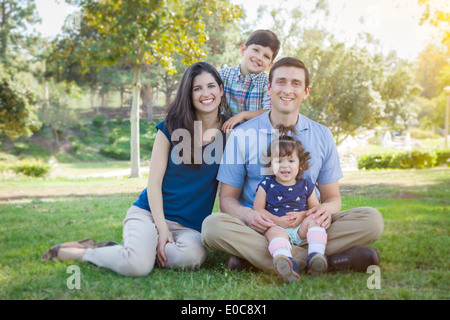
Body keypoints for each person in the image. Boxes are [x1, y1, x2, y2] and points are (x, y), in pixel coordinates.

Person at [201, 57, 384, 282]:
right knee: (212, 227)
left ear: (305, 91)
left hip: (310, 227)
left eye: (296, 83)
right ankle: (328, 261)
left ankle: (262, 259)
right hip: (262, 230)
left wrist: (325, 211)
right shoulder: (241, 135)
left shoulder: (322, 134)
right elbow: (227, 199)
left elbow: (332, 197)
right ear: (269, 87)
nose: (288, 90)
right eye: (281, 82)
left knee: (372, 220)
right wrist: (248, 216)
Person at [42, 61, 232, 277]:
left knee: (192, 257)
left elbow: (267, 116)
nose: (205, 93)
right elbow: (153, 183)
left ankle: (128, 251)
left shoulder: (231, 132)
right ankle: (85, 252)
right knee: (138, 267)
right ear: (188, 94)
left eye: (211, 86)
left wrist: (245, 116)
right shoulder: (171, 126)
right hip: (150, 214)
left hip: (190, 228)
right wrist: (162, 229)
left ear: (221, 90)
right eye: (197, 88)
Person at [253, 125, 328, 283]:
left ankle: (316, 256)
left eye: (291, 160)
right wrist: (277, 221)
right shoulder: (266, 183)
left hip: (300, 228)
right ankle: (285, 261)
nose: (285, 165)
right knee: (274, 233)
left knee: (315, 221)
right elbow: (258, 209)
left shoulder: (306, 185)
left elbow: (315, 208)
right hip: (277, 226)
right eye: (278, 161)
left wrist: (302, 215)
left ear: (300, 164)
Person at [220, 29, 281, 132]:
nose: (259, 57)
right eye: (256, 50)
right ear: (243, 50)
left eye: (266, 56)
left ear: (270, 65)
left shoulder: (267, 83)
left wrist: (243, 115)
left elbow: (270, 112)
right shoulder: (223, 75)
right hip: (225, 133)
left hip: (255, 136)